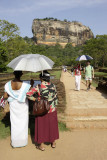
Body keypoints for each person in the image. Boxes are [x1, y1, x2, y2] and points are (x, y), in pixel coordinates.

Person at [27, 71, 59, 151]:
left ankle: (41, 145)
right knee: (52, 126)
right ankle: (53, 142)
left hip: (42, 110)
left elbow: (28, 94)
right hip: (52, 108)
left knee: (41, 126)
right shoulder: (53, 86)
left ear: (41, 78)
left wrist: (36, 99)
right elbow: (56, 97)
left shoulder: (38, 86)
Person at [3, 71, 31, 148]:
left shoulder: (8, 85)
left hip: (13, 105)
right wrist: (31, 84)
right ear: (21, 74)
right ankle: (22, 141)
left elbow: (5, 96)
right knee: (23, 123)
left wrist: (12, 96)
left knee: (14, 122)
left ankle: (15, 142)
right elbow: (29, 94)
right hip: (23, 105)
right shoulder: (26, 85)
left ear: (14, 74)